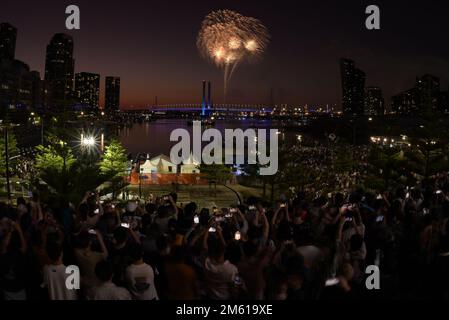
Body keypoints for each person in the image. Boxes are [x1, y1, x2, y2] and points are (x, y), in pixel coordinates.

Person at [203, 226, 238, 300]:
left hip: (210, 296)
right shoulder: (231, 269)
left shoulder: (207, 264)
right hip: (224, 297)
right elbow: (232, 288)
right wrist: (220, 234)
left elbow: (204, 246)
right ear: (224, 251)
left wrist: (207, 228)